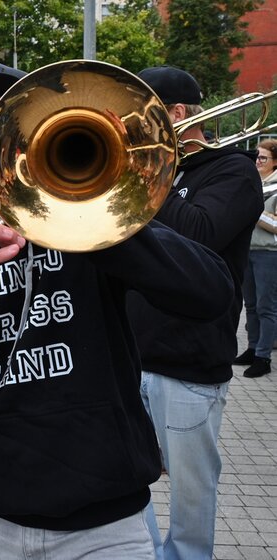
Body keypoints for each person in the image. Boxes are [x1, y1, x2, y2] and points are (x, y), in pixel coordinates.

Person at [0, 61, 236, 558]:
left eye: (1, 120)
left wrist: (94, 221)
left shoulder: (95, 232)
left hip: (107, 525)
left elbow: (211, 295)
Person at [128, 66, 263, 560]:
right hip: (128, 354)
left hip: (189, 360)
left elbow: (200, 234)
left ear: (176, 114)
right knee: (126, 485)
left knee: (191, 495)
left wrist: (148, 170)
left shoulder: (233, 171)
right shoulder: (137, 172)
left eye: (133, 118)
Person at [235, 139, 277, 377]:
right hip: (247, 249)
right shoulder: (254, 183)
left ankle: (263, 357)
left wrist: (254, 207)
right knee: (250, 305)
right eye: (256, 157)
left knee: (266, 307)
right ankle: (252, 348)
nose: (258, 162)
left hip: (268, 253)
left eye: (263, 158)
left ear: (275, 162)